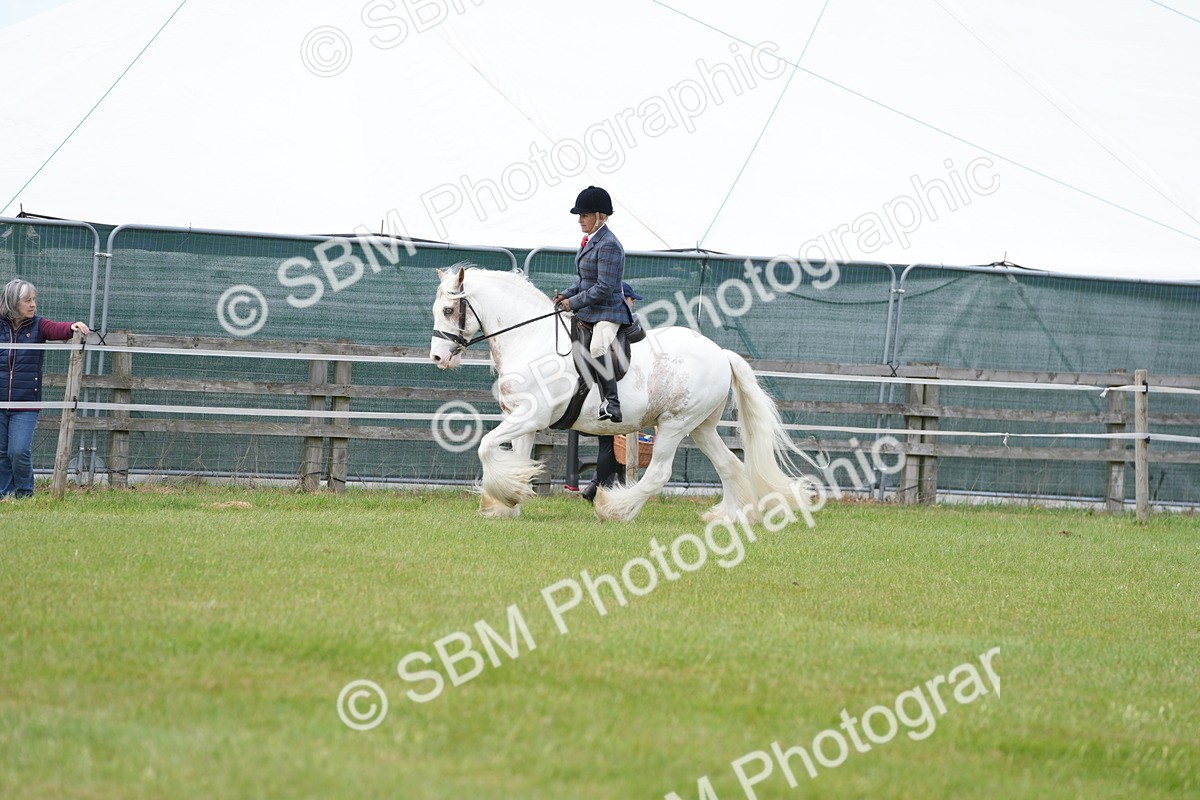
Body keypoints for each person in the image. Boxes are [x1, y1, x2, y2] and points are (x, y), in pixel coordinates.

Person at [0, 279, 90, 499]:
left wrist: (72, 327)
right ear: (12, 303)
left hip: (26, 404)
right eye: (27, 300)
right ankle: (4, 494)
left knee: (19, 451)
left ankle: (24, 494)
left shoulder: (38, 325)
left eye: (34, 300)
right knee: (2, 454)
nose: (33, 305)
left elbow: (56, 329)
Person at [553, 186, 631, 423]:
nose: (580, 220)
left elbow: (604, 287)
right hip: (591, 309)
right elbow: (584, 281)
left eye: (584, 215)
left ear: (601, 217)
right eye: (580, 216)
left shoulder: (609, 244)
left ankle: (612, 403)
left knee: (597, 347)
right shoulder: (590, 240)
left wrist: (572, 303)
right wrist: (564, 295)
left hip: (609, 310)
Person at [581, 281, 643, 503]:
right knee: (609, 443)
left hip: (597, 393)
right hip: (611, 394)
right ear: (622, 299)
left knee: (608, 444)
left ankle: (597, 486)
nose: (633, 303)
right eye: (631, 299)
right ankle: (599, 487)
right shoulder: (617, 327)